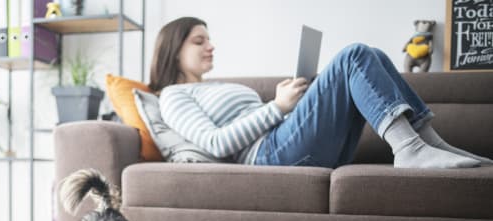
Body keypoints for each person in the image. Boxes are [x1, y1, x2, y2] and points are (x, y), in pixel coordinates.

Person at [150, 17, 491, 169]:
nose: (210, 46)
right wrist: (278, 108)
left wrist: (284, 103)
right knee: (353, 55)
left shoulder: (216, 86)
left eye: (209, 38)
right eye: (199, 41)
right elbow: (216, 143)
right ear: (173, 49)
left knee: (375, 54)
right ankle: (409, 149)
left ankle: (430, 143)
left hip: (283, 140)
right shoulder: (173, 96)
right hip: (268, 156)